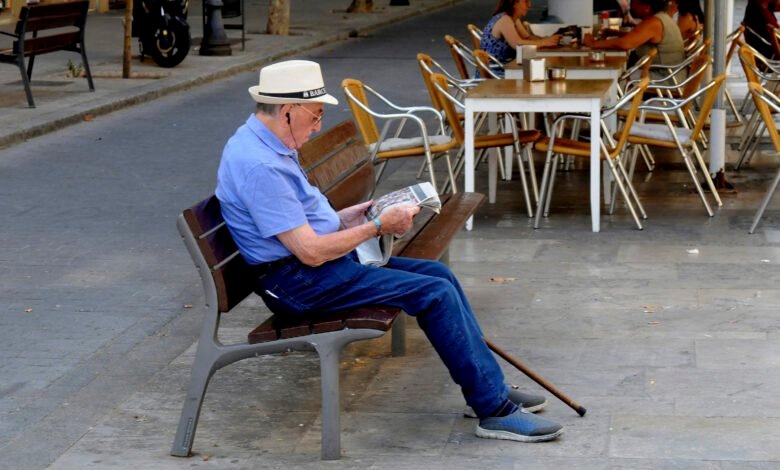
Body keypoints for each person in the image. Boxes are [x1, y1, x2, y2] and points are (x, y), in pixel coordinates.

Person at [215, 59, 564, 443]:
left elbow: (301, 222)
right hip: (300, 282)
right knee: (435, 293)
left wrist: (355, 215)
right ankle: (493, 409)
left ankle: (487, 386)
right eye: (314, 117)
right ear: (286, 112)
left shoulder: (266, 141)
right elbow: (310, 252)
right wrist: (379, 226)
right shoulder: (262, 164)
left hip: (308, 269)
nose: (317, 127)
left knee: (438, 276)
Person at [584, 0, 685, 79]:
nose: (630, 7)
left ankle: (619, 104)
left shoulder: (654, 22)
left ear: (646, 7)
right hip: (668, 73)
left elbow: (625, 43)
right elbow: (638, 36)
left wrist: (593, 44)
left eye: (634, 3)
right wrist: (616, 33)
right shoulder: (661, 18)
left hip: (665, 78)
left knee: (619, 77)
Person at [480, 0, 561, 65]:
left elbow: (528, 37)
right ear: (514, 3)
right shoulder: (504, 19)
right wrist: (543, 42)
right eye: (526, 1)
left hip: (506, 66)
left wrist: (549, 40)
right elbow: (517, 44)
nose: (529, 5)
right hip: (495, 73)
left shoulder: (514, 19)